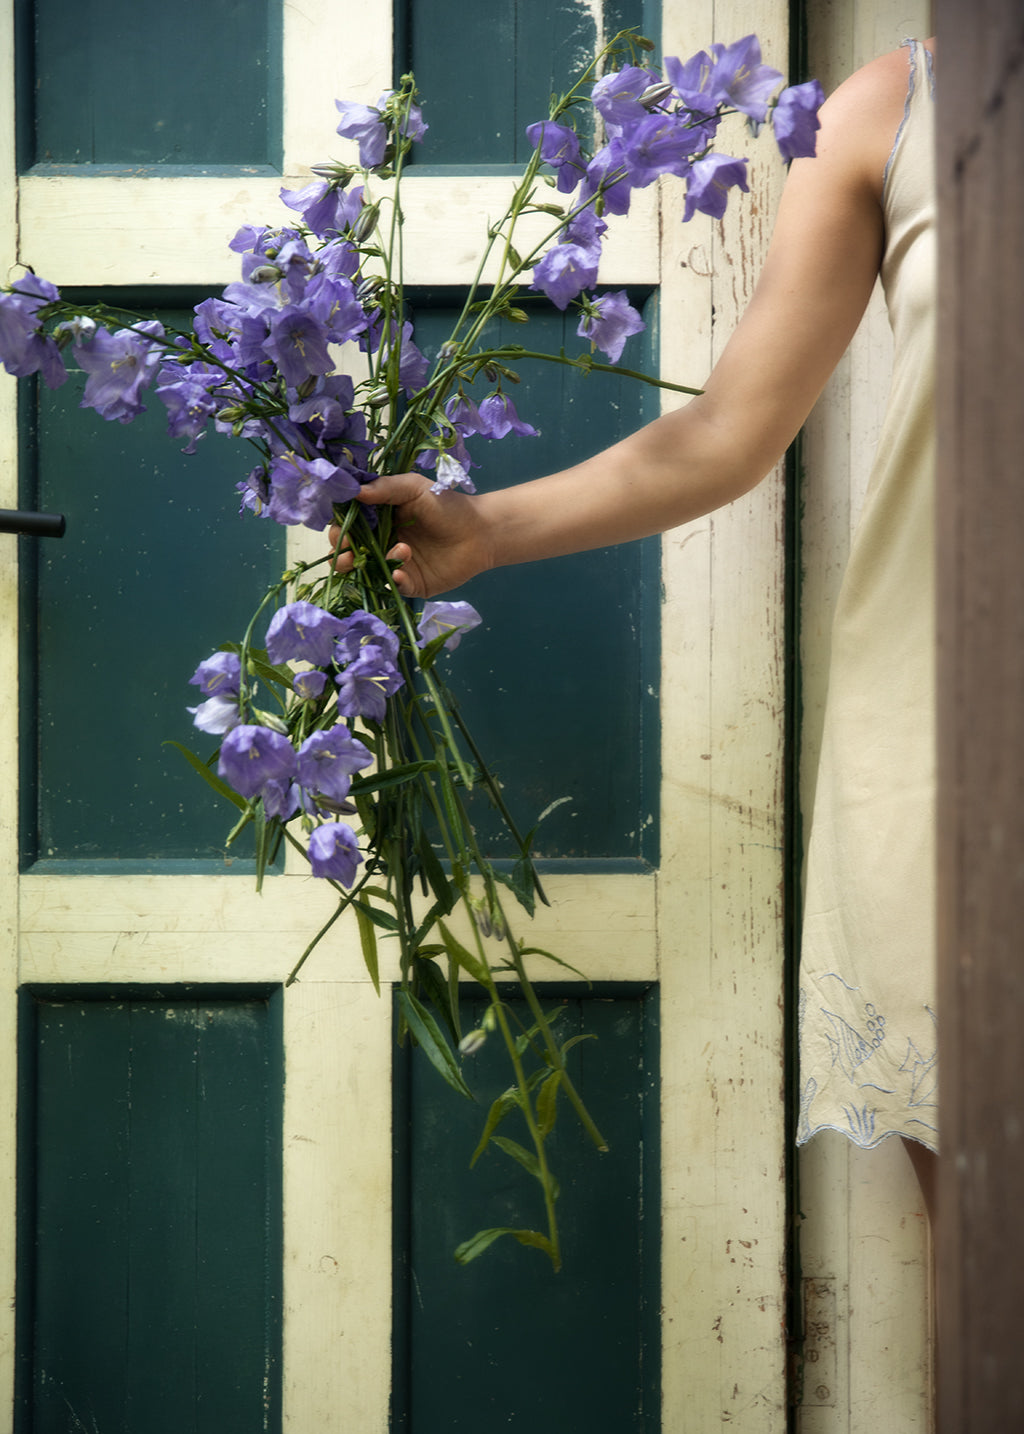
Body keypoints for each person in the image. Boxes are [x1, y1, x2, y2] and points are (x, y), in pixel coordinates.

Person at [333, 39, 939, 1216]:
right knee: (996, 1263)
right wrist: (487, 529)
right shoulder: (894, 105)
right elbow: (723, 432)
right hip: (949, 734)